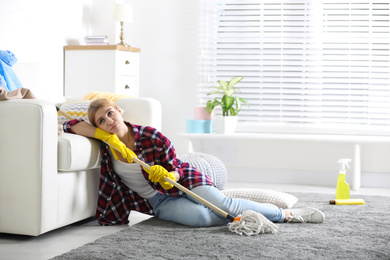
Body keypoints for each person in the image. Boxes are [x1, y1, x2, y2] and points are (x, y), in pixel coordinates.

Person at [63, 98, 325, 227]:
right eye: (101, 120)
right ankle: (241, 216)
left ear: (119, 111)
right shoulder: (107, 147)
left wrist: (169, 176)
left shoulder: (151, 136)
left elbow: (175, 167)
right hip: (157, 201)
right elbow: (70, 124)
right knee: (202, 217)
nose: (109, 120)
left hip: (183, 181)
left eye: (110, 112)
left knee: (223, 204)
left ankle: (285, 215)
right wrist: (107, 138)